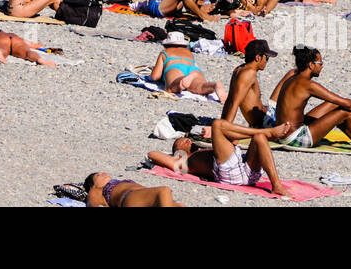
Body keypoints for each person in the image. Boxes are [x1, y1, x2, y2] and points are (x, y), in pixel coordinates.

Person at [274, 46, 351, 158]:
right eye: (320, 63)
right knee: (346, 113)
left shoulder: (292, 79)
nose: (322, 66)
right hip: (294, 139)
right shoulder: (308, 85)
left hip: (283, 133)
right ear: (311, 65)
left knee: (336, 106)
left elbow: (337, 102)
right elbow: (346, 103)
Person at [147, 117, 291, 198]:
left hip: (247, 170)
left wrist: (217, 136)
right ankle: (269, 131)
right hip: (230, 173)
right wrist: (176, 155)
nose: (186, 141)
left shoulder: (203, 152)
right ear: (177, 152)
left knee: (259, 138)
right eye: (180, 143)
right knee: (217, 124)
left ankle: (276, 185)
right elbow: (152, 154)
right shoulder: (182, 162)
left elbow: (234, 141)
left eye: (186, 140)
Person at [149, 31, 225, 100]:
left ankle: (181, 81)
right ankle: (214, 85)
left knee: (171, 88)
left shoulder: (165, 52)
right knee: (200, 87)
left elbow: (155, 77)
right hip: (193, 69)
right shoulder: (188, 52)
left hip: (175, 68)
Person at [83, 172, 182, 208]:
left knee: (180, 206)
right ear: (93, 184)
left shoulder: (118, 182)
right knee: (164, 191)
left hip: (147, 200)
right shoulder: (96, 189)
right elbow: (93, 201)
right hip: (129, 199)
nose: (103, 173)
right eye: (98, 175)